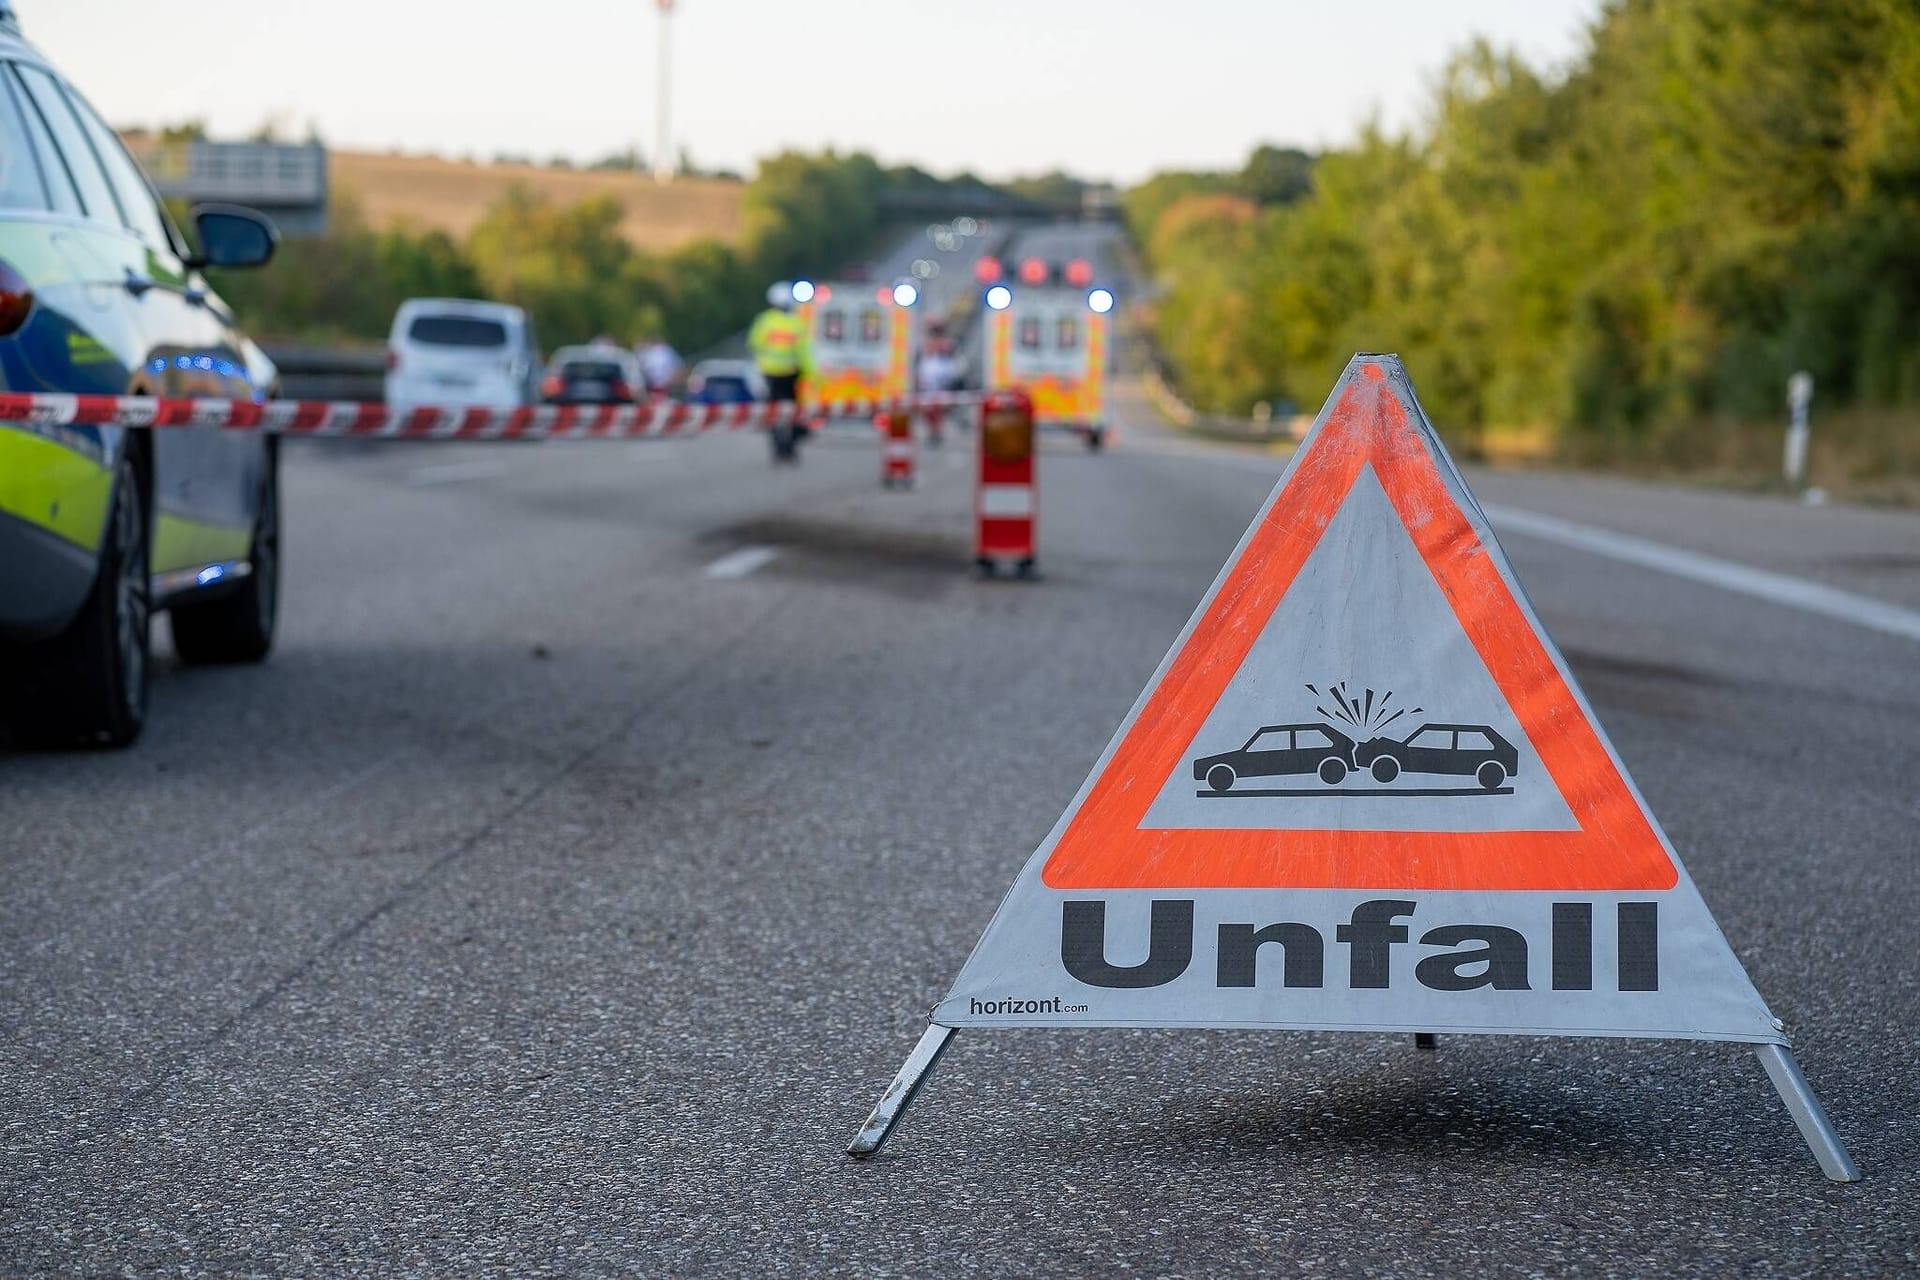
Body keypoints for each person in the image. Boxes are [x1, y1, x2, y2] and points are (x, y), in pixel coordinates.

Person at [749, 282, 811, 463]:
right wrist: (811, 375)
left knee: (774, 413)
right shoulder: (796, 324)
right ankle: (789, 449)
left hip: (770, 374)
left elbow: (754, 344)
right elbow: (805, 353)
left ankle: (777, 448)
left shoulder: (764, 321)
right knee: (792, 412)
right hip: (791, 374)